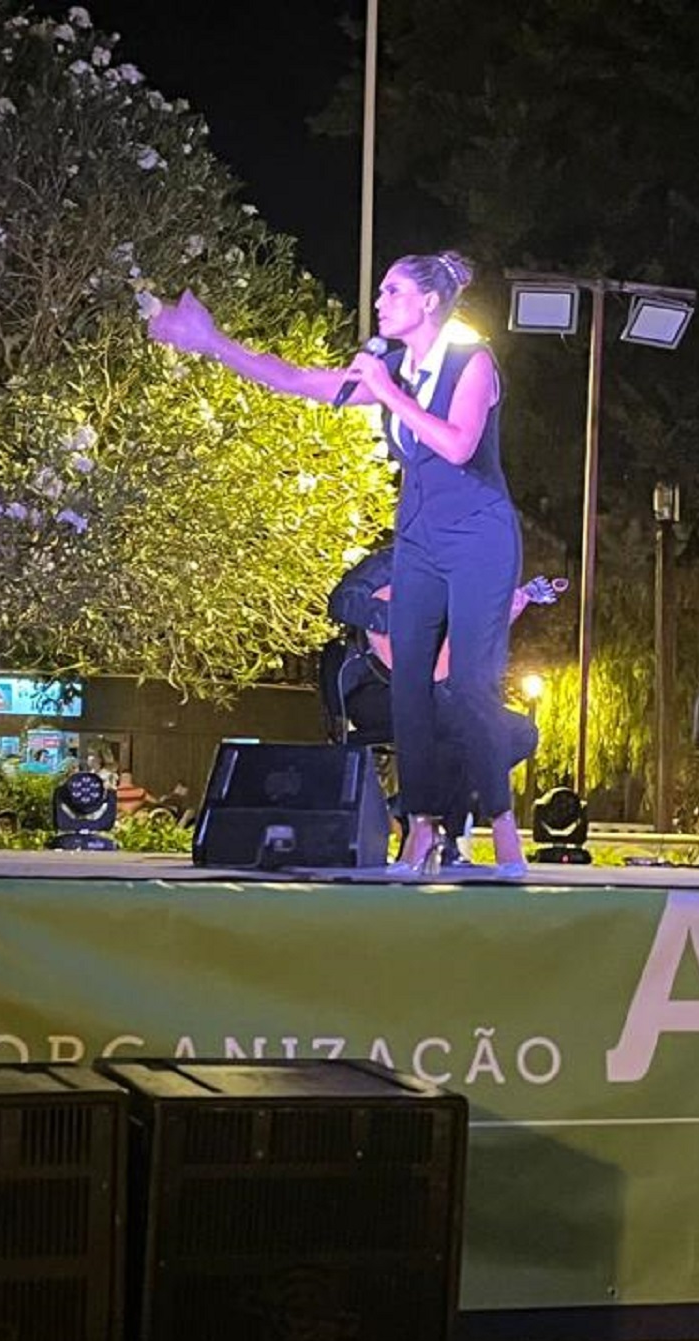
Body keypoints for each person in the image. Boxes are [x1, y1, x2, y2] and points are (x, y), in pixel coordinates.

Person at [151, 249, 526, 879]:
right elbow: (296, 379)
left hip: (479, 535)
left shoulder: (472, 364)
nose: (378, 303)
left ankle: (507, 842)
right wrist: (212, 342)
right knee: (409, 687)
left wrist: (384, 391)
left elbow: (459, 443)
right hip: (420, 537)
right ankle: (422, 833)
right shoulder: (391, 370)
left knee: (469, 687)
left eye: (392, 291)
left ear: (429, 302)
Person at [324, 543, 542, 865]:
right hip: (376, 689)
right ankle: (438, 833)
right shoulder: (387, 563)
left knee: (519, 733)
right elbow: (343, 602)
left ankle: (421, 820)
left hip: (434, 693)